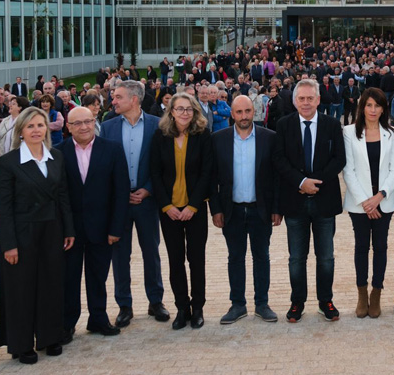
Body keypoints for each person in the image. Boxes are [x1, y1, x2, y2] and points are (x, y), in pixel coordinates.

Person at [0, 107, 75, 364]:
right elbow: (4, 208)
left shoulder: (56, 157)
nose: (36, 130)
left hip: (52, 230)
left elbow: (63, 196)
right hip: (22, 234)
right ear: (20, 132)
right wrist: (8, 244)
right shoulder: (8, 163)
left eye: (40, 125)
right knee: (22, 288)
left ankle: (49, 337)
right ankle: (22, 343)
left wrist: (69, 230)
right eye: (30, 126)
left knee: (51, 284)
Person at [273, 79, 346, 322]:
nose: (306, 103)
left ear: (318, 99)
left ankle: (326, 300)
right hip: (294, 201)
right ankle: (297, 302)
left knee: (326, 257)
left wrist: (314, 182)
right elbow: (279, 159)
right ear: (295, 101)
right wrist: (301, 182)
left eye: (310, 98)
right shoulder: (283, 125)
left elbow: (339, 159)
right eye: (301, 98)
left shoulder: (332, 125)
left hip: (325, 201)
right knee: (297, 257)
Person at [100, 80, 169, 327]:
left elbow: (163, 164)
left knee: (151, 252)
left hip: (147, 202)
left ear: (134, 99)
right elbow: (103, 166)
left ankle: (156, 301)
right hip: (118, 203)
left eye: (118, 97)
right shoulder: (107, 128)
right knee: (120, 255)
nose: (113, 101)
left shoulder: (156, 125)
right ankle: (124, 305)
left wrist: (148, 190)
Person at [57, 106, 129, 341]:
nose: (84, 127)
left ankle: (98, 318)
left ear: (94, 122)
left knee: (98, 276)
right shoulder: (58, 153)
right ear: (68, 127)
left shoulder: (112, 150)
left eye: (88, 121)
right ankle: (67, 322)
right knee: (69, 278)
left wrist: (116, 228)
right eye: (77, 123)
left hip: (103, 227)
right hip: (71, 230)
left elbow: (121, 191)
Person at [211, 95, 281, 325]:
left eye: (248, 111)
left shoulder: (269, 138)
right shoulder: (218, 139)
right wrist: (216, 209)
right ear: (232, 114)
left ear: (255, 112)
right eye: (239, 112)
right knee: (235, 258)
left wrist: (276, 208)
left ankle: (262, 303)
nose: (244, 116)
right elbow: (212, 180)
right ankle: (237, 304)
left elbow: (275, 176)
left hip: (260, 210)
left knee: (262, 256)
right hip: (232, 211)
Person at [150, 92, 215, 330]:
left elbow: (207, 172)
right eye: (179, 109)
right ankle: (181, 308)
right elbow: (155, 173)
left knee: (196, 259)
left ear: (195, 111)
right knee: (175, 261)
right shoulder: (160, 136)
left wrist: (193, 205)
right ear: (171, 112)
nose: (184, 113)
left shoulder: (203, 135)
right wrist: (167, 206)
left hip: (195, 209)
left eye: (189, 109)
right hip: (169, 211)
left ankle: (198, 308)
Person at [341, 87, 394, 319]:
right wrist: (366, 201)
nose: (373, 110)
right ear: (362, 107)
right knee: (361, 248)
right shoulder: (348, 132)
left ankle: (376, 293)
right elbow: (349, 170)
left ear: (384, 108)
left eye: (377, 105)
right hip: (359, 204)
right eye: (369, 105)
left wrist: (380, 197)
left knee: (381, 248)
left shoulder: (392, 133)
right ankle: (361, 293)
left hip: (383, 203)